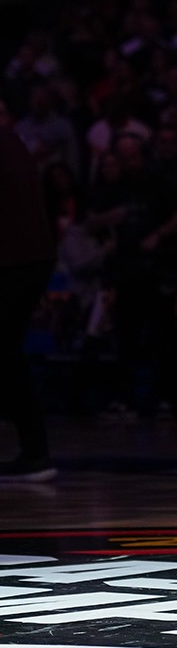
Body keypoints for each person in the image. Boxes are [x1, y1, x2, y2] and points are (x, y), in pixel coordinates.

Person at [0, 125, 54, 480]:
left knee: (6, 356)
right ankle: (35, 451)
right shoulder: (12, 140)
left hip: (13, 261)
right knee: (7, 356)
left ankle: (36, 452)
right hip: (29, 259)